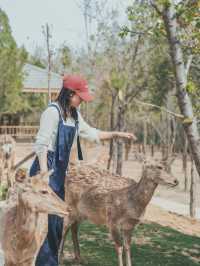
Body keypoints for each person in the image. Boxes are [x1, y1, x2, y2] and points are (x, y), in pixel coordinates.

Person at [29, 74, 136, 266]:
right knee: (42, 223)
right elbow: (41, 145)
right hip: (45, 170)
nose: (82, 101)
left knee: (55, 224)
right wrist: (44, 177)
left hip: (59, 173)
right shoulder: (52, 112)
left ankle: (49, 262)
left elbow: (92, 133)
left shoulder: (74, 115)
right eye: (80, 97)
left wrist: (116, 134)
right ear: (70, 94)